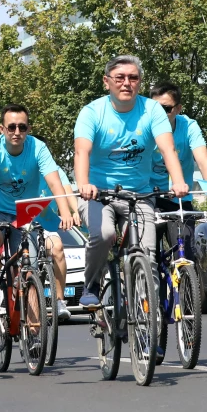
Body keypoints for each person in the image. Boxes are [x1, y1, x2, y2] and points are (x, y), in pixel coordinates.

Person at [73, 55, 189, 309]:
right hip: (98, 194)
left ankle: (150, 323)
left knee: (147, 257)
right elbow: (82, 151)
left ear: (139, 82)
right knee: (104, 235)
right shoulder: (92, 113)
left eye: (133, 78)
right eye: (120, 78)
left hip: (139, 195)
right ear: (107, 82)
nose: (127, 83)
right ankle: (91, 284)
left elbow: (168, 149)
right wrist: (84, 184)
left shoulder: (152, 110)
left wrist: (178, 182)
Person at [0, 105, 73, 318]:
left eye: (22, 127)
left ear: (29, 128)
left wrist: (65, 212)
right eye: (11, 127)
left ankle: (35, 334)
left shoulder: (38, 147)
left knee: (29, 269)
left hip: (25, 212)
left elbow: (55, 183)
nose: (17, 132)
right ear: (2, 129)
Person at [149, 82, 207, 229]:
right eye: (154, 109)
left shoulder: (189, 127)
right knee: (148, 246)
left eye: (166, 109)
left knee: (184, 247)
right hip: (149, 197)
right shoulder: (144, 126)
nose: (159, 114)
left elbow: (204, 162)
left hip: (179, 197)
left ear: (178, 109)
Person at [30, 162, 80, 323]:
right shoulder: (19, 166)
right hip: (22, 221)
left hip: (47, 222)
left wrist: (76, 211)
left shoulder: (55, 170)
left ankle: (59, 302)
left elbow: (67, 191)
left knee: (57, 248)